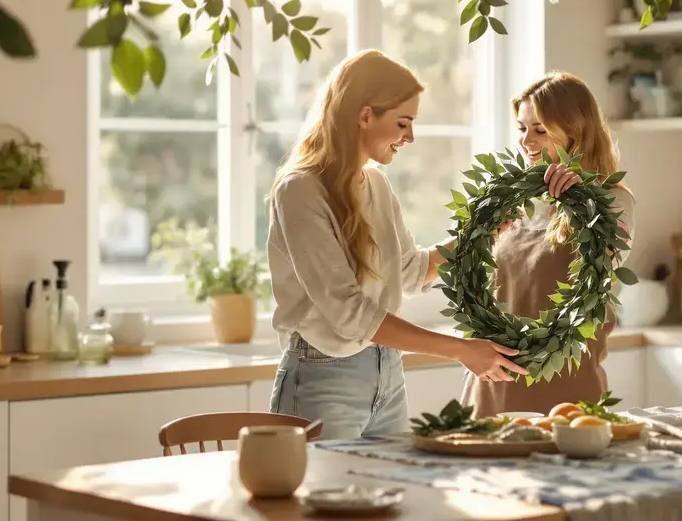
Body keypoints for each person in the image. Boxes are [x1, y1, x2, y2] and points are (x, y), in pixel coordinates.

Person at [267, 49, 528, 440]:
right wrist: (460, 349)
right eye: (403, 123)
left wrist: (480, 234)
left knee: (389, 496)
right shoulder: (300, 190)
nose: (410, 137)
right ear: (364, 114)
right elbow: (348, 312)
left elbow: (410, 271)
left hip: (387, 373)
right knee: (322, 500)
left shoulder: (375, 184)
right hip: (322, 377)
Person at [461, 71, 636, 417]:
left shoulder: (611, 201)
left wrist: (581, 197)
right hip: (492, 386)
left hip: (568, 392)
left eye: (540, 129)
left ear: (576, 132)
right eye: (522, 128)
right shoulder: (508, 203)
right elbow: (478, 286)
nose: (527, 140)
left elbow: (603, 267)